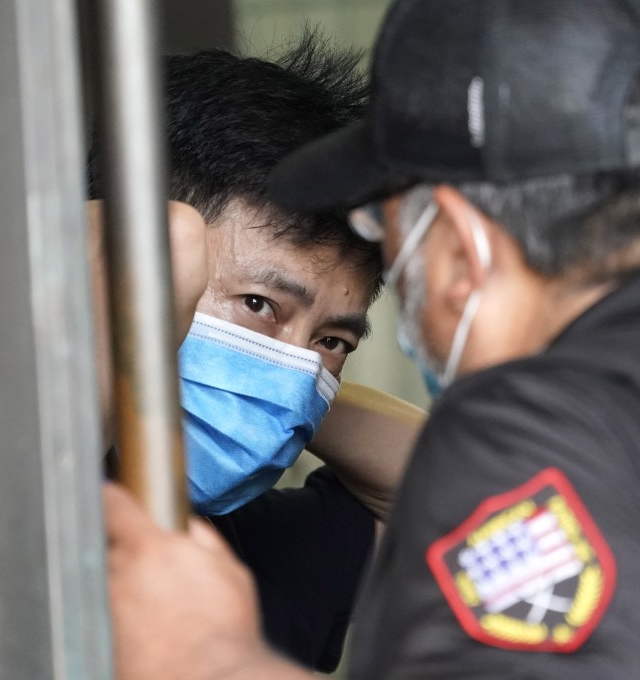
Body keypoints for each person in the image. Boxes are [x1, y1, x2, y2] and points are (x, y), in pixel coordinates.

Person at [104, 0, 640, 678]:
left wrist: (208, 658)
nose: (303, 370)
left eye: (395, 250)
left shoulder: (542, 423)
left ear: (462, 255)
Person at [87, 36, 423, 672]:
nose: (297, 371)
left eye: (333, 341)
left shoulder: (238, 557)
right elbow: (169, 237)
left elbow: (465, 490)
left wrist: (283, 383)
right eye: (261, 305)